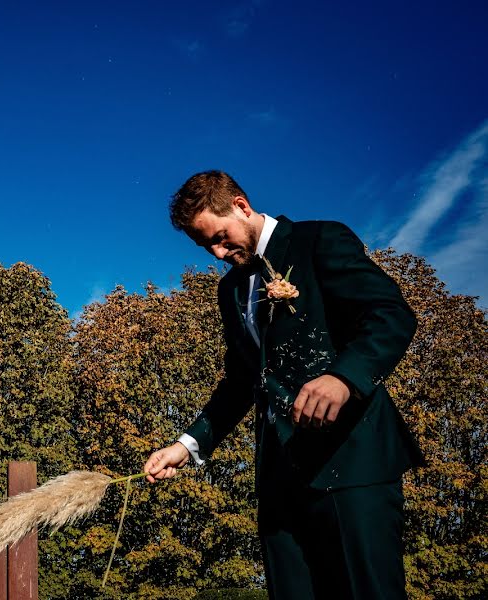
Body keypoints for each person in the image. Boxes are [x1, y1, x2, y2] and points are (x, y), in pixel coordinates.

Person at [143, 171, 424, 599]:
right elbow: (242, 380)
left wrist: (342, 378)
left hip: (352, 462)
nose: (218, 253)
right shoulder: (230, 290)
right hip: (278, 480)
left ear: (241, 205)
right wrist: (186, 446)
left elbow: (390, 314)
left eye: (220, 237)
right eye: (206, 247)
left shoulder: (319, 241)